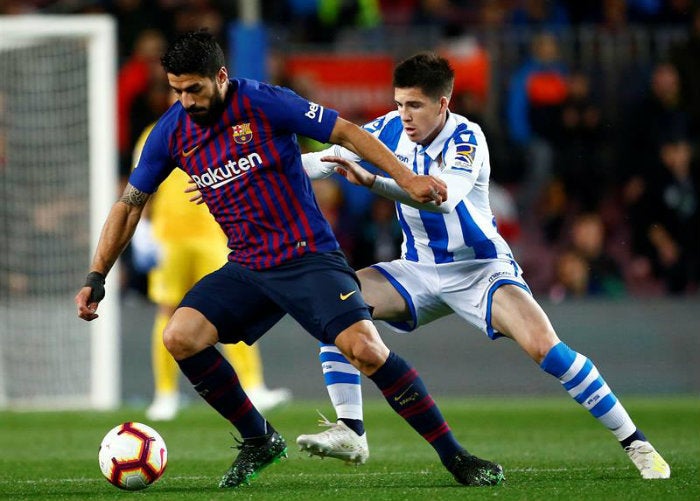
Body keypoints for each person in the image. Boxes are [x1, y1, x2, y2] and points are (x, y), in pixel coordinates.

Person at [74, 30, 504, 489]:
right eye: (177, 90)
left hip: (308, 256)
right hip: (248, 264)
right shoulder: (170, 133)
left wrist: (408, 177)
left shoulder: (264, 101)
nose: (186, 101)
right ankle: (259, 438)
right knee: (180, 335)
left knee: (365, 350)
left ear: (220, 76)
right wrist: (97, 274)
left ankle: (456, 457)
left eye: (194, 89)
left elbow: (345, 132)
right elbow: (130, 203)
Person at [296, 52, 671, 480]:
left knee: (547, 350)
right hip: (418, 269)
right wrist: (256, 172)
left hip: (481, 271)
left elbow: (444, 198)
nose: (405, 115)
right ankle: (351, 430)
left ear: (442, 104)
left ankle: (637, 443)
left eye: (415, 105)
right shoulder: (387, 128)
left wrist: (377, 182)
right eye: (399, 103)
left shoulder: (466, 138)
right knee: (335, 303)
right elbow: (324, 160)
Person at [130, 121, 292, 421]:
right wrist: (143, 228)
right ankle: (165, 394)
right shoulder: (155, 133)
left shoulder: (220, 129)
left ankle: (254, 386)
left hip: (213, 234)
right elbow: (141, 184)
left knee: (233, 308)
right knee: (169, 310)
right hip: (169, 238)